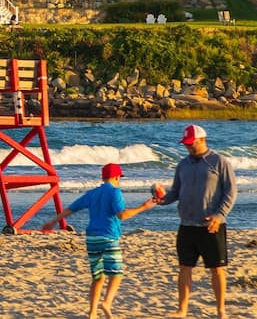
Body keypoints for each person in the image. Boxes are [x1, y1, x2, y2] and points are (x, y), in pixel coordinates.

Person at [41, 163, 158, 319]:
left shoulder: (93, 193)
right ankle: (106, 303)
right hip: (108, 236)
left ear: (103, 177)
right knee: (116, 274)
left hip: (92, 239)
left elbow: (72, 208)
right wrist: (143, 207)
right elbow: (122, 215)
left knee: (98, 276)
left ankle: (92, 313)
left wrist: (53, 221)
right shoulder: (115, 192)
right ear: (117, 177)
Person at [159, 125, 237, 318]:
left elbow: (230, 192)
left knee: (216, 269)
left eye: (190, 143)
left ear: (202, 140)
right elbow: (175, 192)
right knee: (185, 267)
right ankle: (182, 309)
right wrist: (161, 199)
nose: (188, 147)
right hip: (186, 225)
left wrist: (219, 215)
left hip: (211, 225)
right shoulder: (183, 165)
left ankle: (221, 310)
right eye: (185, 144)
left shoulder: (219, 162)